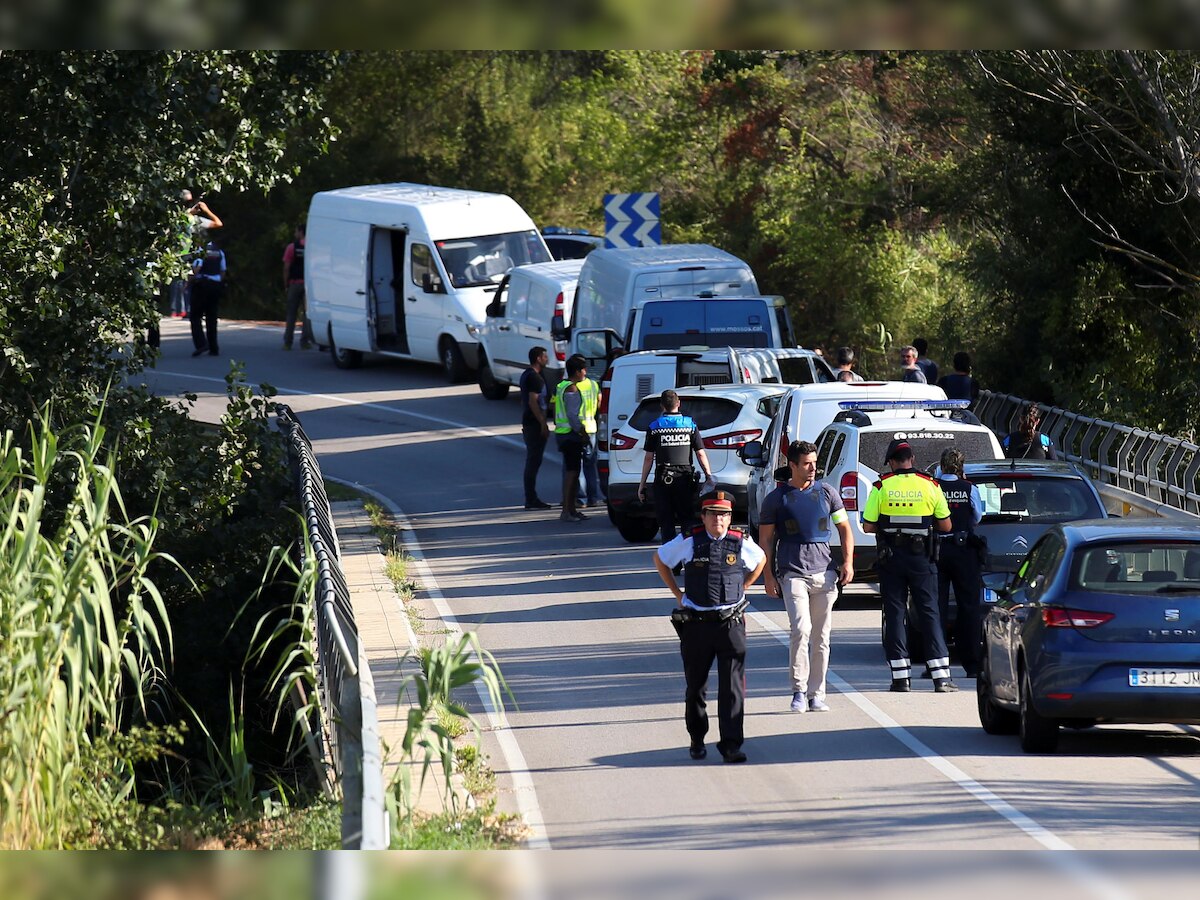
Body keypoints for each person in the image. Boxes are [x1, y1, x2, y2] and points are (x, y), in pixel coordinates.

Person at [654, 490, 766, 764]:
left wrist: (745, 586)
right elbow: (660, 559)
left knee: (732, 688)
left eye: (724, 514)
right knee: (696, 688)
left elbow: (761, 560)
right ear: (703, 516)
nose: (719, 519)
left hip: (730, 623)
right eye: (713, 513)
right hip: (697, 624)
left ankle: (731, 745)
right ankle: (697, 737)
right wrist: (678, 595)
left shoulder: (740, 542)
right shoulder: (690, 541)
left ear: (730, 517)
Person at [759, 440, 854, 713]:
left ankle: (817, 694)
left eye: (814, 463)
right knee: (801, 630)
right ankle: (799, 691)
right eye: (807, 464)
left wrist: (847, 562)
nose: (813, 468)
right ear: (793, 466)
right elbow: (765, 540)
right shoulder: (776, 499)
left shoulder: (827, 493)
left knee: (822, 636)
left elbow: (845, 529)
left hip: (825, 575)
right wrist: (768, 576)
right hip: (793, 574)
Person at [861, 438, 958, 693]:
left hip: (891, 558)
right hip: (921, 559)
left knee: (895, 614)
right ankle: (941, 678)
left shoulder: (881, 486)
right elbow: (946, 526)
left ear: (892, 462)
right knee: (929, 613)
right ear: (912, 459)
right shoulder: (930, 485)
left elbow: (868, 526)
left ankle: (901, 679)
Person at [933, 448, 985, 679]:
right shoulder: (969, 488)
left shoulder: (933, 487)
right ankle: (972, 663)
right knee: (969, 607)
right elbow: (977, 517)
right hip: (964, 550)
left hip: (937, 550)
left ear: (941, 466)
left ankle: (936, 663)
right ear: (961, 467)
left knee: (936, 608)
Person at [638, 390, 716, 544]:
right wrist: (709, 475)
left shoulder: (655, 427)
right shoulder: (690, 425)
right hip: (685, 478)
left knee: (666, 522)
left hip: (663, 479)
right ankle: (689, 559)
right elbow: (700, 453)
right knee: (687, 519)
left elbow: (648, 458)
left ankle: (671, 563)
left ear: (662, 406)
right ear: (678, 404)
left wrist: (642, 484)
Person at [554, 355, 592, 522]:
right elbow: (572, 415)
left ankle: (572, 509)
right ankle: (567, 511)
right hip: (570, 435)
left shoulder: (561, 385)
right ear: (577, 371)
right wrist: (582, 432)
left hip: (562, 434)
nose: (585, 373)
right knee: (572, 473)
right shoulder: (572, 389)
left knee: (573, 472)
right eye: (583, 369)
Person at [520, 346, 553, 510]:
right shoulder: (535, 378)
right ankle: (531, 499)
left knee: (533, 461)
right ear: (539, 358)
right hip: (533, 425)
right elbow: (533, 401)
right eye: (545, 357)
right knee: (533, 461)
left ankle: (531, 498)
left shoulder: (527, 374)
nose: (547, 359)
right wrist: (542, 423)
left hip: (529, 423)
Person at [571, 354, 604, 508]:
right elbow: (599, 403)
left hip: (579, 429)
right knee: (591, 465)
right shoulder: (593, 384)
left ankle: (581, 498)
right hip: (592, 428)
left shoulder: (573, 386)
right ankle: (593, 497)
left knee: (578, 465)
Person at [189, 238, 226, 357]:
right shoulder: (219, 251)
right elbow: (222, 270)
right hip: (215, 285)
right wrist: (218, 282)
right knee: (211, 317)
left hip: (202, 285)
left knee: (195, 316)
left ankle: (201, 344)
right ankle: (213, 347)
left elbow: (197, 269)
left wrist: (190, 279)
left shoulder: (200, 251)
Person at [282, 222, 314, 350]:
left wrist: (286, 284)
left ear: (301, 232)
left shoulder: (292, 247)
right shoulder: (312, 247)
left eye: (296, 231)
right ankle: (304, 341)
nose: (295, 234)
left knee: (291, 314)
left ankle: (288, 342)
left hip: (294, 284)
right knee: (307, 314)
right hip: (308, 286)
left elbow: (286, 268)